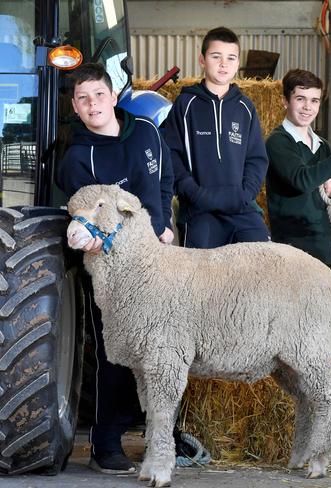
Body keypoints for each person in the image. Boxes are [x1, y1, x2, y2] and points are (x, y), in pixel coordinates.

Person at [56, 63, 174, 474]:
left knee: (160, 347)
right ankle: (106, 443)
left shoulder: (146, 132)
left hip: (158, 259)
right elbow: (84, 217)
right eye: (83, 98)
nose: (93, 105)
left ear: (113, 95)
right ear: (75, 104)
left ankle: (158, 435)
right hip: (110, 268)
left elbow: (163, 182)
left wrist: (167, 225)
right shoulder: (76, 158)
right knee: (115, 351)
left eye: (99, 95)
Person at [164, 26, 270, 249]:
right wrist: (192, 191)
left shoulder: (245, 107)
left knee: (263, 259)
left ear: (238, 63)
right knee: (202, 276)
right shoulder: (186, 105)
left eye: (231, 58)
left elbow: (256, 158)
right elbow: (170, 153)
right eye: (216, 56)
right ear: (202, 60)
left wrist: (246, 193)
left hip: (240, 207)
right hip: (200, 209)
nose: (224, 64)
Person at [265, 68, 331, 267]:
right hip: (292, 245)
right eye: (300, 99)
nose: (307, 107)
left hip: (323, 241)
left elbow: (321, 186)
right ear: (285, 101)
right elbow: (301, 180)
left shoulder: (322, 145)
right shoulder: (278, 141)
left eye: (314, 100)